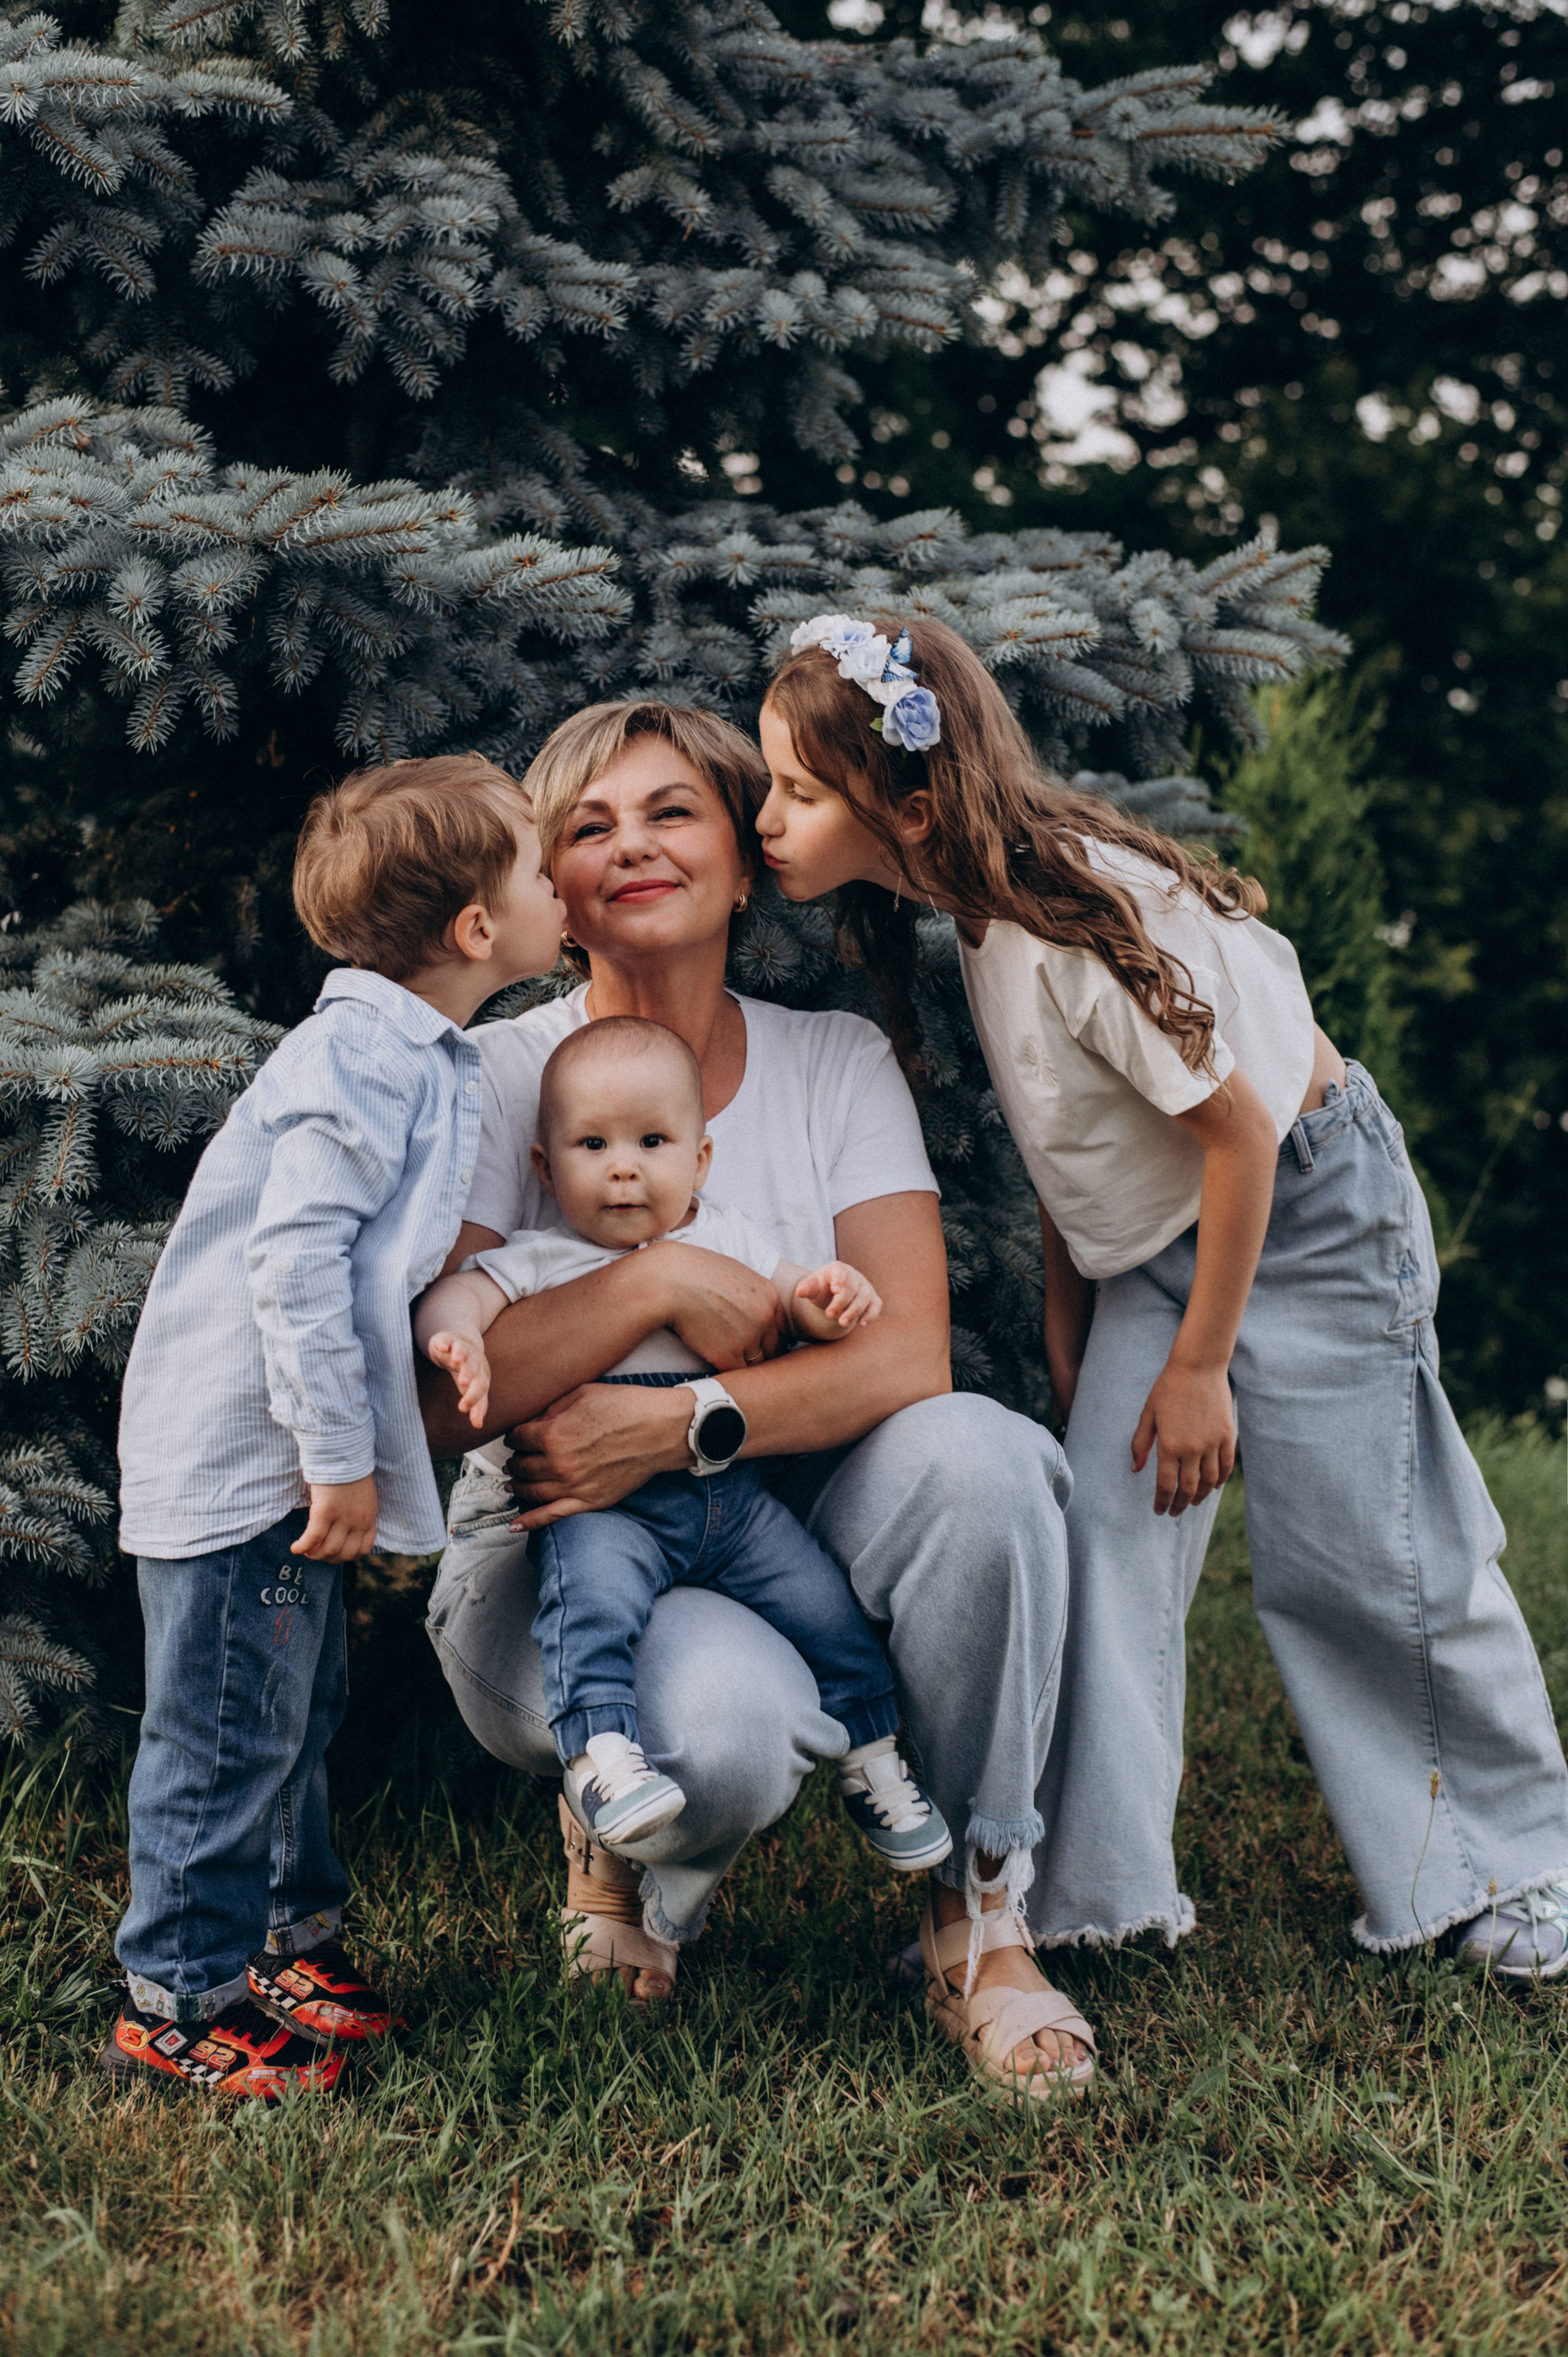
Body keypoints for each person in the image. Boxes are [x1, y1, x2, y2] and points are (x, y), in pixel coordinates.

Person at [753, 609, 1568, 1980]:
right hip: (1165, 1253)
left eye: (793, 789)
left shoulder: (1063, 912)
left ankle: (1514, 1868)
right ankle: (1084, 1890)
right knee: (1104, 1543)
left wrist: (1196, 1370)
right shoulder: (968, 918)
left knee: (1363, 1560)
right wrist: (1084, 1345)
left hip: (1303, 1216)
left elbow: (1239, 1135)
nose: (765, 814)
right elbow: (1077, 1156)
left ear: (904, 804)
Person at [419, 698, 1097, 2102]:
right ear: (553, 880)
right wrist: (655, 1278)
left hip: (783, 1516)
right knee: (712, 1745)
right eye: (590, 826)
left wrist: (676, 1420)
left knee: (986, 1456)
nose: (635, 846)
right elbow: (448, 1411)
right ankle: (625, 1859)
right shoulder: (489, 1078)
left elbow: (903, 1360)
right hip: (556, 1554)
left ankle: (974, 1913)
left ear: (742, 854)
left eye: (672, 812)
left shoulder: (831, 1062)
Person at [105, 755, 567, 2099]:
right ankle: (180, 1997)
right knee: (226, 1729)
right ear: (478, 930)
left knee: (294, 1712)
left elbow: (375, 1259)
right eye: (541, 872)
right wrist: (337, 1458)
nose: (561, 893)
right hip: (250, 1463)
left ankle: (283, 1937)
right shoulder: (361, 1055)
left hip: (283, 1459)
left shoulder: (419, 1051)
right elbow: (293, 1259)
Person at [415, 1014, 951, 1869]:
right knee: (589, 1612)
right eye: (593, 1145)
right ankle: (603, 1758)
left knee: (827, 1611)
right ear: (547, 1170)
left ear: (699, 1160)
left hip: (732, 1502)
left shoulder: (726, 1237)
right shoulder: (543, 1257)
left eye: (653, 1141)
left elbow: (792, 1297)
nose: (624, 1166)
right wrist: (458, 1340)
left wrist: (830, 1295)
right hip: (603, 1506)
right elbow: (462, 1299)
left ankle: (873, 1757)